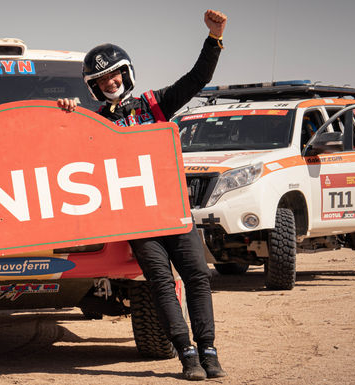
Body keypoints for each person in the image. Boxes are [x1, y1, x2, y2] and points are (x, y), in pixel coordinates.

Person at [58, 9, 228, 381]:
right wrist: (68, 113)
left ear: (127, 73)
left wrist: (213, 38)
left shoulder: (156, 104)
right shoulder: (94, 121)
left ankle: (209, 351)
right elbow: (59, 146)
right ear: (93, 87)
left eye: (115, 73)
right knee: (161, 283)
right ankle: (187, 356)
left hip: (173, 210)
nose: (110, 82)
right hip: (137, 219)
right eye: (101, 79)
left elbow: (197, 78)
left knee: (198, 277)